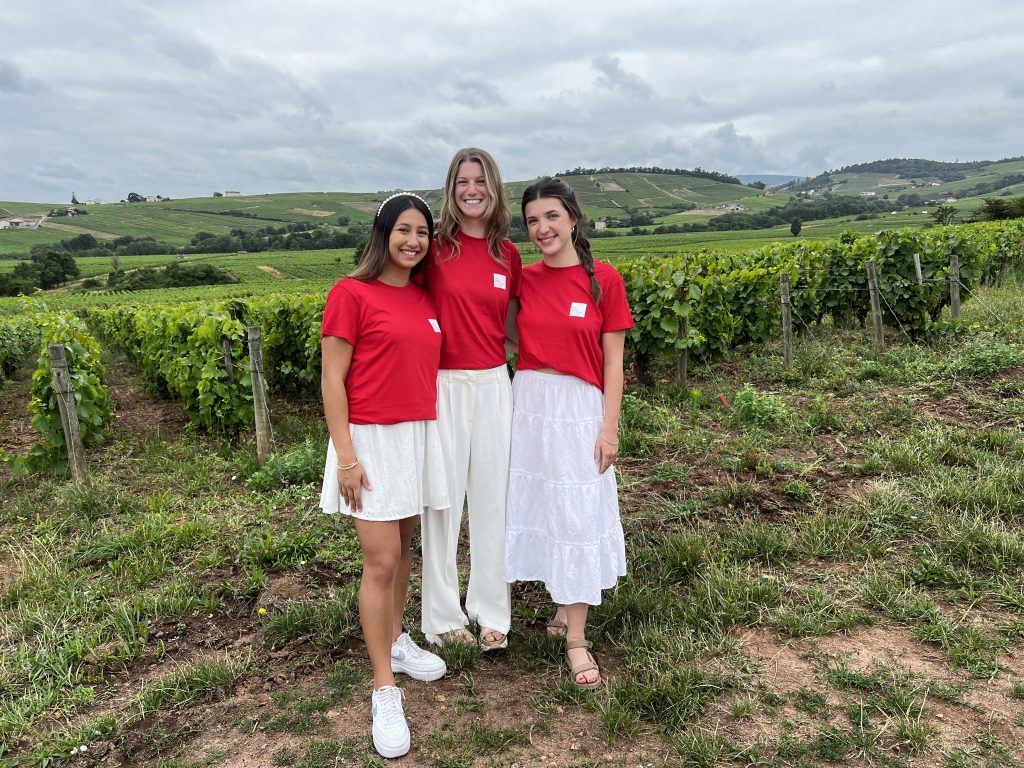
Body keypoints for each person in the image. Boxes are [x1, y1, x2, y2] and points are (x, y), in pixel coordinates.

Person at [319, 192, 449, 759]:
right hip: (369, 440)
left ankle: (397, 642)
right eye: (403, 230)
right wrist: (346, 455)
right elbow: (331, 379)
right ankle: (384, 688)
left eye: (422, 232)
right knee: (382, 561)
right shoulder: (350, 293)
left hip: (415, 434)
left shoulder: (422, 296)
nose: (413, 241)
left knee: (403, 547)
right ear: (382, 234)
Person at [505, 176, 633, 689]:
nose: (542, 228)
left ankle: (576, 638)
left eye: (551, 216)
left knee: (577, 512)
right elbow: (512, 333)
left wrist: (610, 428)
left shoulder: (605, 279)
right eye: (533, 220)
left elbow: (614, 363)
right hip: (530, 402)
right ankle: (563, 604)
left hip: (581, 406)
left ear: (573, 218)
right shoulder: (525, 280)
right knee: (542, 505)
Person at [420, 148, 521, 651]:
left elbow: (515, 327)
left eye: (480, 180)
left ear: (494, 187)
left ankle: (490, 611)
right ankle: (441, 616)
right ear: (451, 188)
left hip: (493, 384)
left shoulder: (509, 254)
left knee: (491, 499)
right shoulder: (435, 248)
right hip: (443, 385)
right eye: (462, 181)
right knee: (442, 502)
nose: (471, 189)